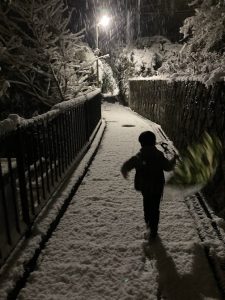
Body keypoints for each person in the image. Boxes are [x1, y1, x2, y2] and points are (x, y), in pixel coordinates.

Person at [121, 131, 178, 240]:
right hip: (157, 187)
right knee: (155, 208)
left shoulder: (139, 156)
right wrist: (174, 159)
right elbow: (168, 167)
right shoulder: (159, 155)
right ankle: (153, 229)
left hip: (145, 187)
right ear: (154, 142)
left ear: (141, 144)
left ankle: (148, 222)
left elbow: (127, 165)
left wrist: (125, 171)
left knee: (147, 205)